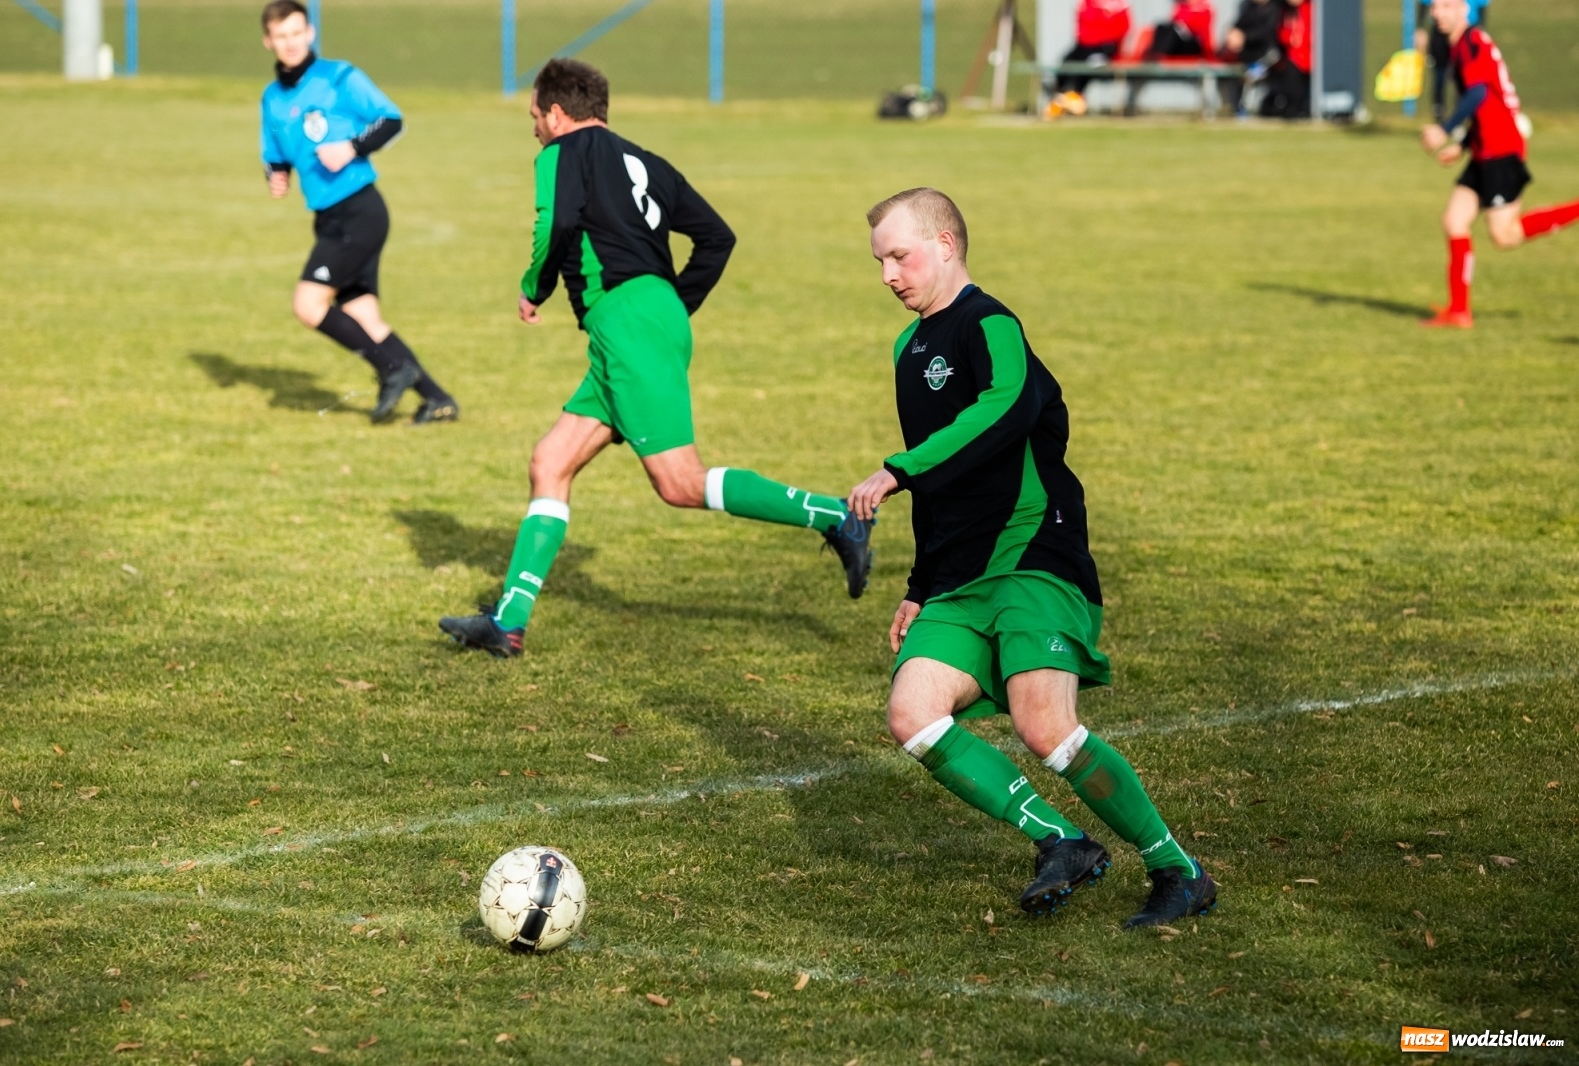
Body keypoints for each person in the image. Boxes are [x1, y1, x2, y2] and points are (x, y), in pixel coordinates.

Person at [847, 188, 1216, 927]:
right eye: (879, 261)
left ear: (947, 244)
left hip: (1031, 558)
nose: (888, 274)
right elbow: (946, 485)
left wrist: (898, 468)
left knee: (1043, 725)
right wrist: (920, 585)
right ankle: (1061, 842)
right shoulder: (908, 347)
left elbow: (1005, 409)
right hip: (958, 577)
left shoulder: (993, 325)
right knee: (911, 713)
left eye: (900, 255)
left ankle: (1179, 869)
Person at [438, 59, 874, 659]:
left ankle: (833, 516)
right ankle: (508, 621)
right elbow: (717, 238)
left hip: (629, 324)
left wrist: (532, 287)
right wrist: (670, 304)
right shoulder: (648, 162)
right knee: (551, 460)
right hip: (643, 321)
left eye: (535, 117)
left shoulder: (560, 155)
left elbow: (557, 220)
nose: (534, 128)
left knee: (679, 482)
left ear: (557, 114)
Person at [258, 1, 457, 425]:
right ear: (268, 41)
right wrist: (276, 175)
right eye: (281, 36)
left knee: (308, 305)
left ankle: (392, 370)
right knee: (364, 317)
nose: (290, 43)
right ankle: (438, 399)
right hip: (328, 217)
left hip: (360, 210)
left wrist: (350, 147)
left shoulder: (339, 77)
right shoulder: (273, 98)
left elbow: (391, 119)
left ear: (310, 32)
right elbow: (276, 154)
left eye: (297, 33)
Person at [1420, 0, 1579, 329]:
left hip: (1500, 149)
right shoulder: (1462, 44)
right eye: (1435, 6)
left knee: (1505, 235)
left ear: (1465, 8)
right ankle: (1459, 311)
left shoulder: (1473, 42)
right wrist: (1463, 145)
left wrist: (1444, 130)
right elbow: (1487, 101)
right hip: (1483, 148)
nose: (1438, 12)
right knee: (1454, 221)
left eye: (1447, 5)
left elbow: (1478, 93)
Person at [1125, 0, 1214, 116]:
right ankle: (1156, 55)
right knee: (1162, 26)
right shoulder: (1180, 6)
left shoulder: (1204, 7)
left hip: (1193, 46)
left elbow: (1202, 32)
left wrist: (1209, 55)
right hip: (1177, 46)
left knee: (1172, 29)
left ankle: (1156, 55)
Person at [1046, 0, 1132, 118]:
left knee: (1087, 66)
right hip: (1084, 45)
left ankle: (1075, 97)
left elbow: (1123, 28)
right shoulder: (1087, 3)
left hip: (1106, 47)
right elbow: (1082, 25)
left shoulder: (1118, 4)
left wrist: (1102, 33)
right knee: (1066, 63)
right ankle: (1061, 98)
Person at [1416, 0, 1489, 124]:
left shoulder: (1472, 40)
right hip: (1441, 34)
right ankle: (1439, 116)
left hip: (1467, 30)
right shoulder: (1440, 22)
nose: (1437, 12)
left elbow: (1482, 7)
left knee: (1464, 80)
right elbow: (1424, 4)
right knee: (1439, 76)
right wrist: (1420, 28)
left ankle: (1459, 120)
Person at [1220, 0, 1281, 116]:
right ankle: (1238, 110)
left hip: (1268, 58)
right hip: (1247, 56)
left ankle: (1248, 109)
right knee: (1235, 74)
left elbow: (1267, 32)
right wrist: (1232, 34)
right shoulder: (1248, 7)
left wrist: (1244, 37)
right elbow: (1238, 25)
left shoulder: (1275, 8)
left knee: (1250, 77)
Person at [1259, 0, 1311, 118]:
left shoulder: (1309, 9)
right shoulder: (1283, 11)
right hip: (1291, 58)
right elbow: (1280, 33)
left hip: (1305, 59)